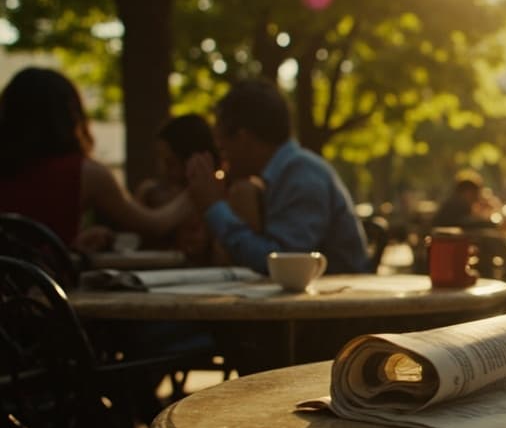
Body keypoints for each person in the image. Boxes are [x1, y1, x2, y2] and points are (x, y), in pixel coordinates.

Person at [0, 66, 193, 253]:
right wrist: (198, 187)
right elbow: (154, 224)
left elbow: (19, 249)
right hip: (47, 285)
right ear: (70, 115)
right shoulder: (86, 173)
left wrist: (70, 248)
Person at [186, 79, 369, 275]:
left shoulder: (302, 174)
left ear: (243, 139)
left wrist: (214, 208)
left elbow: (284, 266)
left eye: (223, 148)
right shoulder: (284, 174)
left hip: (337, 300)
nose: (223, 160)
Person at [135, 114, 264, 264]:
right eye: (161, 161)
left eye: (171, 163)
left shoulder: (237, 193)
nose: (164, 171)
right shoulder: (152, 193)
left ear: (194, 160)